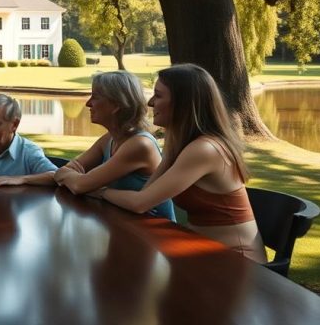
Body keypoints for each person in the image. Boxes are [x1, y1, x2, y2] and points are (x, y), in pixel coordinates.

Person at [98, 64, 266, 262]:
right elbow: (146, 194)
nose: (150, 103)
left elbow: (140, 203)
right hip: (202, 252)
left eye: (158, 95)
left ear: (183, 103)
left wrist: (100, 191)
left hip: (238, 262)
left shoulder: (205, 149)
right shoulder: (179, 144)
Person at [53, 71, 175, 221]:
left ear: (116, 104)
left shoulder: (140, 145)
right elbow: (65, 172)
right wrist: (72, 177)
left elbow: (79, 186)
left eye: (95, 97)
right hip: (125, 226)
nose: (88, 103)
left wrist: (80, 181)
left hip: (156, 234)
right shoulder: (109, 139)